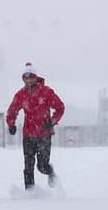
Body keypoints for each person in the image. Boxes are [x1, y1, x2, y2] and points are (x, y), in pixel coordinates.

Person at [6, 63, 65, 191]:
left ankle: (50, 172)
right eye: (25, 78)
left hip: (44, 134)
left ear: (35, 77)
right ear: (23, 79)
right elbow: (12, 110)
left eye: (31, 77)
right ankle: (30, 192)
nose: (28, 80)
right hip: (28, 135)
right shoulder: (20, 94)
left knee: (41, 166)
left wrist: (53, 121)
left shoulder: (46, 92)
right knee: (28, 166)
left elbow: (60, 108)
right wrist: (11, 124)